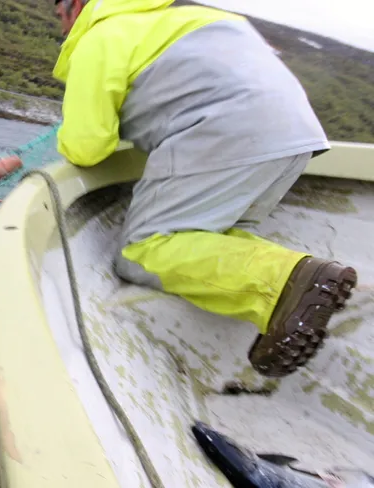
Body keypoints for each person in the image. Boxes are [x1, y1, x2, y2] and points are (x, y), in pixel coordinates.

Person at [51, 0, 358, 377]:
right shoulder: (201, 17)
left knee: (145, 249)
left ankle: (284, 279)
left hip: (225, 132)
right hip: (296, 137)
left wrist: (69, 134)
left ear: (77, 5)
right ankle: (302, 286)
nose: (63, 30)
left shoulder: (102, 35)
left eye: (59, 16)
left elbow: (87, 147)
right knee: (214, 237)